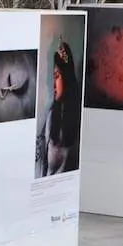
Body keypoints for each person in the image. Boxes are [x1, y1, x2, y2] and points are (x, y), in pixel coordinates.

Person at [37, 42, 81, 177]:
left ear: (66, 78)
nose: (53, 84)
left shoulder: (78, 120)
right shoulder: (52, 117)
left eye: (57, 76)